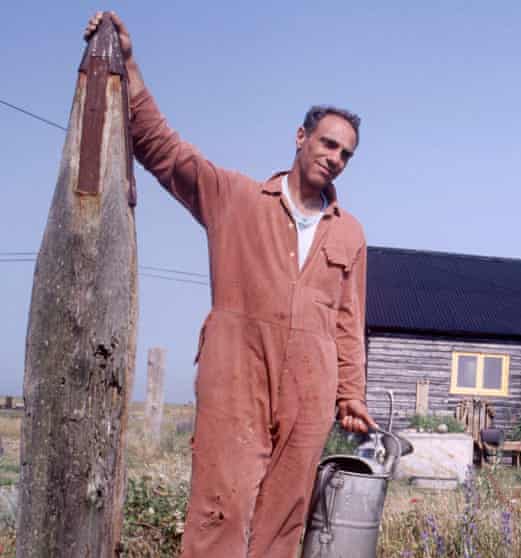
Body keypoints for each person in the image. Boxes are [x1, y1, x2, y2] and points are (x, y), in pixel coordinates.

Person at [84, 12, 378, 557]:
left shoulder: (352, 233)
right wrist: (130, 65)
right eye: (328, 144)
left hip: (309, 390)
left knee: (284, 523)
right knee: (222, 509)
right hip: (236, 372)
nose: (335, 159)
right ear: (300, 137)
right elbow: (164, 150)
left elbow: (347, 323)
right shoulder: (236, 199)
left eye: (346, 154)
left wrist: (350, 396)